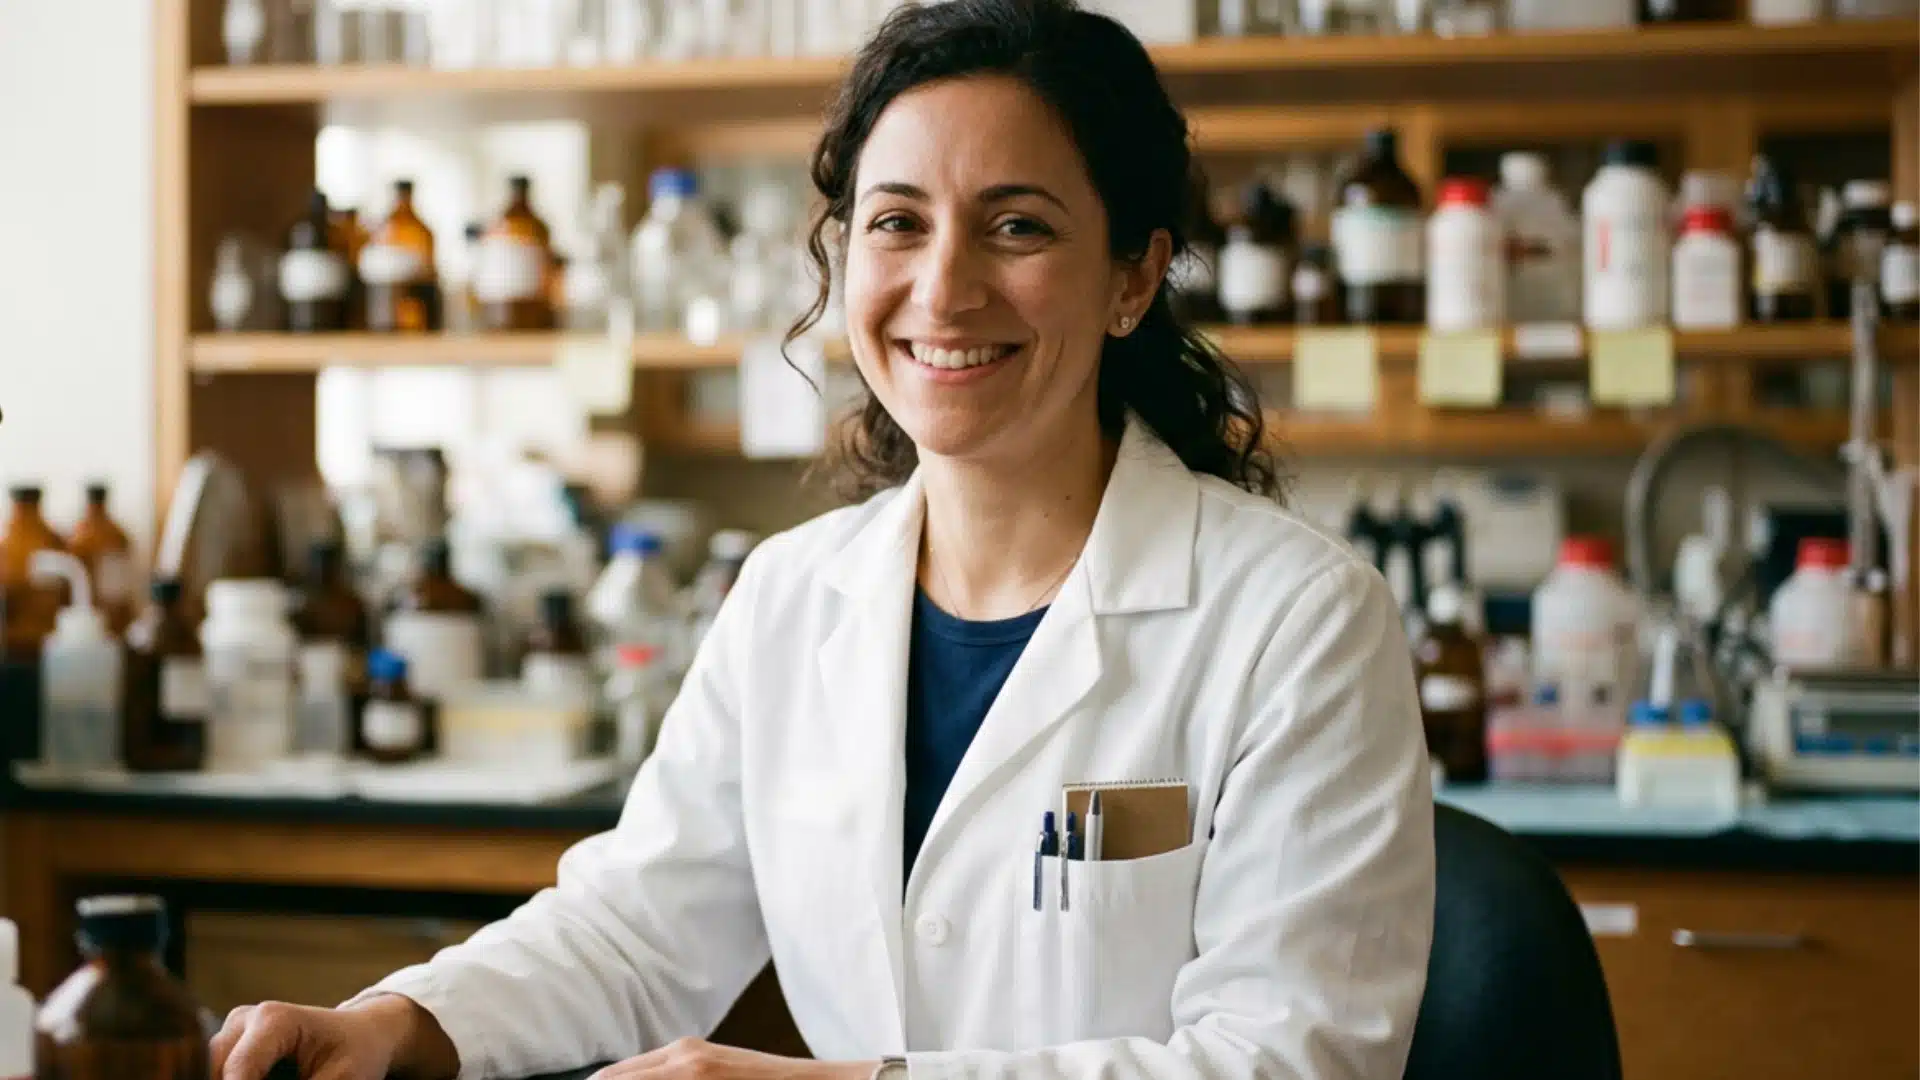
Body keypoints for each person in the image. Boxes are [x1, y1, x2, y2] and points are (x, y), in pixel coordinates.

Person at [211, 2, 1434, 1078]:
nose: (944, 290)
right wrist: (394, 1020)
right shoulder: (792, 595)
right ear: (844, 255)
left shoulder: (1299, 623)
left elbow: (1285, 1060)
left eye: (1017, 228)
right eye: (898, 223)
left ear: (1131, 279)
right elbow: (640, 926)